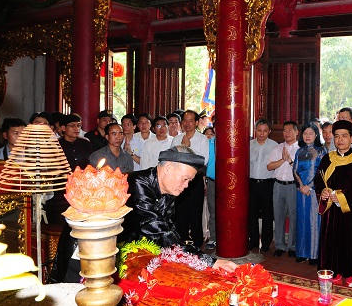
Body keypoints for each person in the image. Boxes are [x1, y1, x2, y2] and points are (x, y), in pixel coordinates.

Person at [50, 146, 237, 283]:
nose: (186, 185)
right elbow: (160, 233)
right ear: (168, 168)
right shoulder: (136, 185)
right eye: (185, 179)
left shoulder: (168, 191)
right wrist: (207, 261)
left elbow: (170, 231)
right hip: (88, 248)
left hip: (118, 249)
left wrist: (197, 257)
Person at [315, 120, 352, 288]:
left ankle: (349, 273)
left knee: (349, 241)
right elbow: (319, 180)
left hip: (349, 210)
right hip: (330, 210)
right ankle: (333, 272)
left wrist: (342, 198)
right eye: (337, 136)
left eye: (344, 136)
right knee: (330, 241)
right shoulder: (327, 159)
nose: (340, 140)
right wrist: (323, 192)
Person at [171, 110, 209, 248]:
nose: (187, 124)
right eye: (185, 121)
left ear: (197, 122)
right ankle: (180, 244)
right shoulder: (176, 139)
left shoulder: (202, 139)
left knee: (195, 213)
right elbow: (171, 158)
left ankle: (197, 245)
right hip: (178, 180)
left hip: (195, 180)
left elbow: (203, 160)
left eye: (191, 121)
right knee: (180, 212)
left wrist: (188, 148)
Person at [47, 114, 93, 225]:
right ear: (63, 128)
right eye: (72, 126)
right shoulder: (55, 145)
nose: (77, 129)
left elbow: (90, 165)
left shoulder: (85, 144)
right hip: (62, 190)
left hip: (83, 188)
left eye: (78, 126)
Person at [293, 123, 327, 264]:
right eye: (305, 133)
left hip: (314, 192)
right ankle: (302, 252)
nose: (307, 136)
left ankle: (314, 254)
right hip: (301, 191)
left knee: (314, 221)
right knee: (302, 221)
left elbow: (322, 172)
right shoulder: (299, 151)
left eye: (311, 133)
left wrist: (310, 186)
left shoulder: (321, 151)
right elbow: (295, 170)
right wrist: (301, 186)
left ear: (316, 135)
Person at [268, 121, 300, 257]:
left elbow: (301, 171)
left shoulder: (301, 149)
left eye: (290, 130)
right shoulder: (278, 148)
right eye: (285, 130)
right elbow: (269, 166)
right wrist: (283, 159)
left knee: (293, 216)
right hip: (278, 185)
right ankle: (279, 245)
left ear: (297, 132)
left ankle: (292, 246)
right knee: (278, 216)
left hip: (293, 186)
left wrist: (290, 161)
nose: (287, 133)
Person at [248, 119, 278, 252]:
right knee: (251, 214)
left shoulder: (275, 146)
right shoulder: (249, 145)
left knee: (268, 215)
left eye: (265, 131)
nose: (262, 133)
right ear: (255, 130)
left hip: (268, 184)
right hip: (252, 183)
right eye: (259, 130)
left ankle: (266, 242)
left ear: (269, 131)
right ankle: (253, 240)